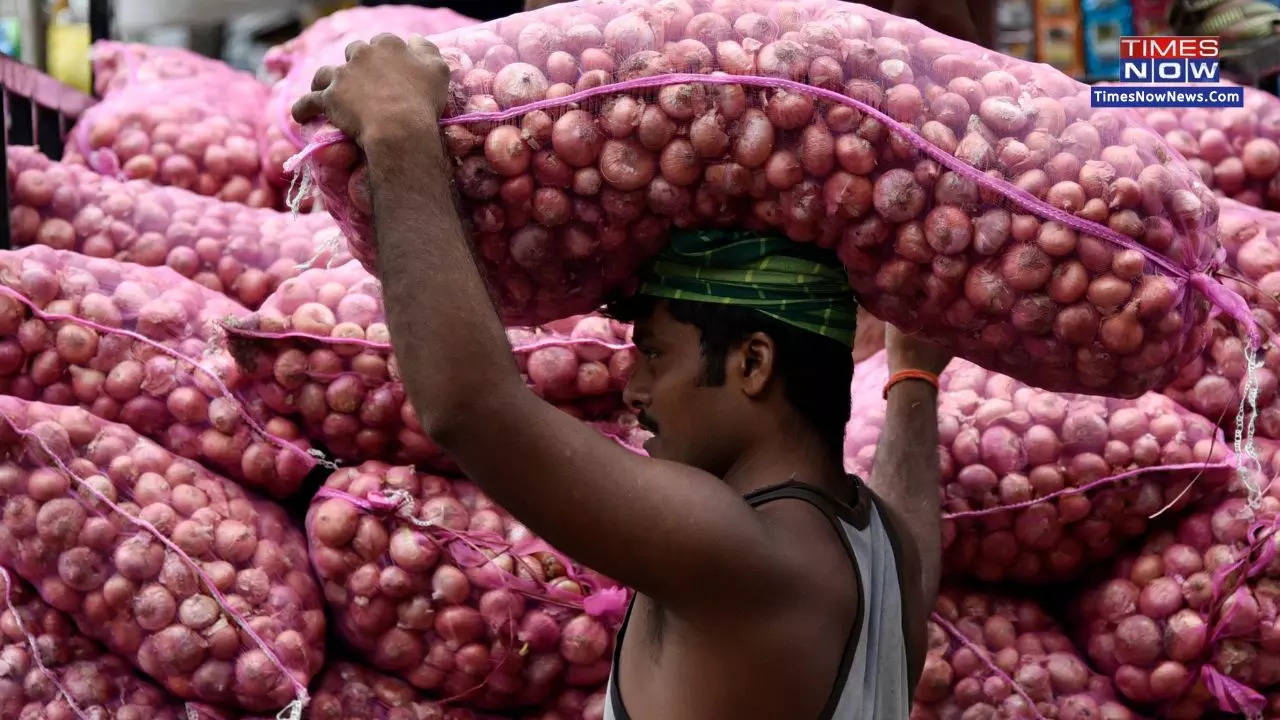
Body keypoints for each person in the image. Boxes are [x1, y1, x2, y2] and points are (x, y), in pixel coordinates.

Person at [293, 34, 949, 719]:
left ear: (753, 364)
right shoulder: (884, 554)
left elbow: (472, 410)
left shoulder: (737, 551)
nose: (634, 390)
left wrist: (400, 128)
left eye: (656, 354)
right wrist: (912, 378)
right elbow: (915, 534)